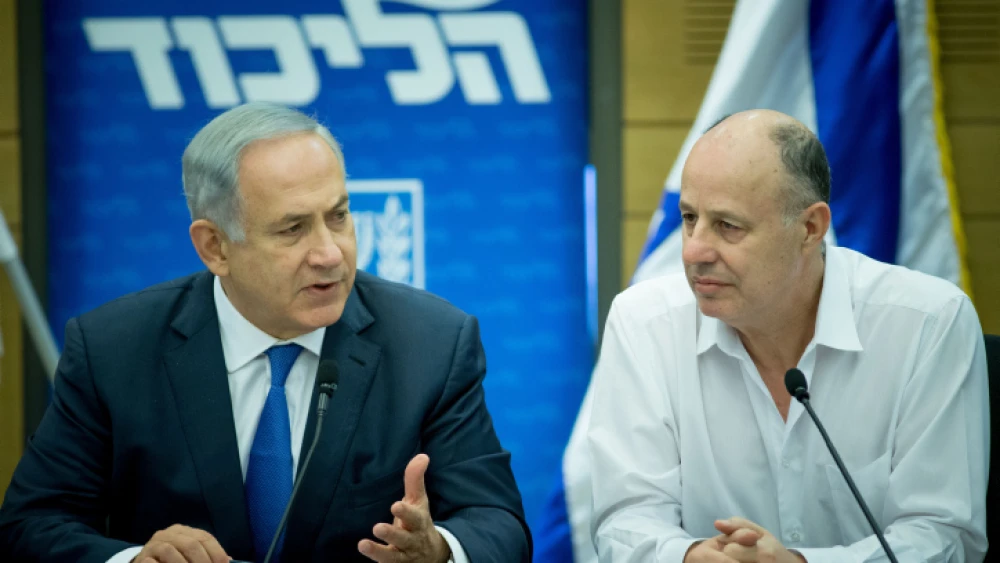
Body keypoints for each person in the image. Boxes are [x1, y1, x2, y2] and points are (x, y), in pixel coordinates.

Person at [0, 102, 531, 563]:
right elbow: (32, 525)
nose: (329, 253)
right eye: (293, 228)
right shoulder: (113, 350)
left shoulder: (431, 344)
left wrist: (437, 551)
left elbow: (498, 525)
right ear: (215, 247)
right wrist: (135, 558)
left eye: (339, 216)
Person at [586, 109, 989, 563]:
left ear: (809, 228)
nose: (694, 250)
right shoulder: (644, 321)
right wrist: (689, 556)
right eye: (689, 217)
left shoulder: (926, 322)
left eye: (728, 226)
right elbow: (624, 516)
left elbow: (944, 534)